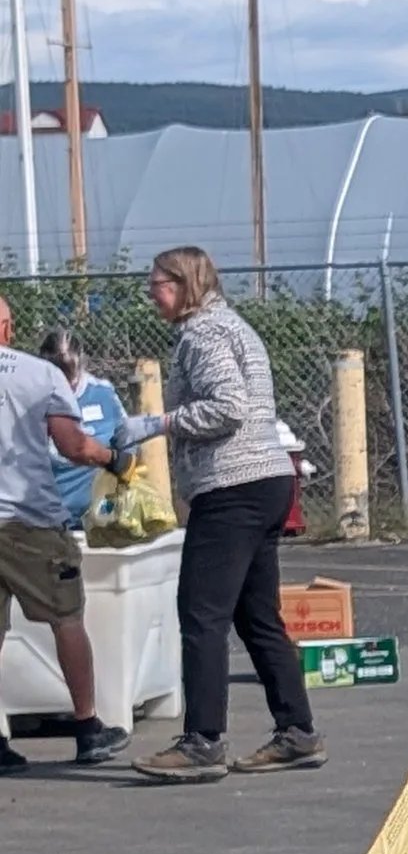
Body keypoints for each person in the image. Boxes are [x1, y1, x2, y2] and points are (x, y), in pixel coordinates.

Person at [116, 247, 325, 783]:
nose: (151, 293)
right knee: (256, 615)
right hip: (268, 479)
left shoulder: (202, 334)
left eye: (158, 283)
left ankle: (202, 741)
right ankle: (296, 732)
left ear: (184, 283)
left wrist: (158, 423)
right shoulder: (232, 325)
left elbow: (227, 407)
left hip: (232, 486)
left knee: (201, 613)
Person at [0, 297, 128, 767]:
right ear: (8, 327)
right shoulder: (39, 374)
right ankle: (87, 727)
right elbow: (73, 446)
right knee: (66, 619)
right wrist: (114, 459)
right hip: (29, 521)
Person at [37, 328, 124, 528]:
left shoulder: (103, 393)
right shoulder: (32, 398)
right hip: (51, 516)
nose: (66, 388)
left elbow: (127, 438)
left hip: (100, 513)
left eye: (71, 380)